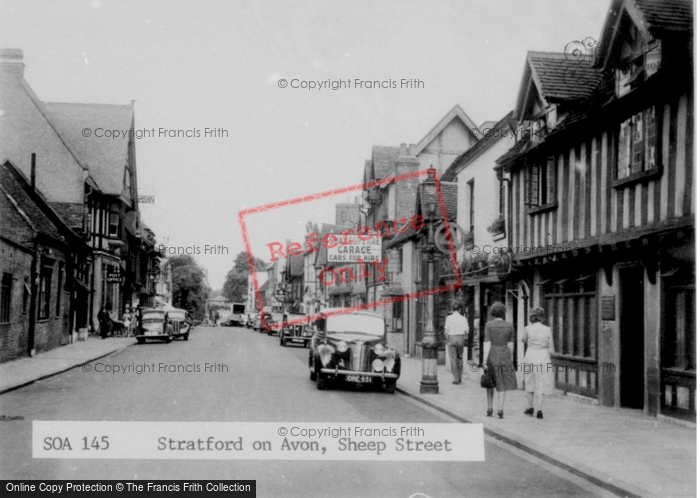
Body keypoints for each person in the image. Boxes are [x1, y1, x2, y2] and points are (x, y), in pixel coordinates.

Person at [483, 301, 518, 418]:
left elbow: (487, 343)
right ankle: (501, 409)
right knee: (502, 382)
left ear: (493, 312)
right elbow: (511, 344)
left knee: (490, 382)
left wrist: (484, 361)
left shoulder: (488, 325)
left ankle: (489, 407)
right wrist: (511, 358)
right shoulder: (509, 325)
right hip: (505, 355)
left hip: (492, 354)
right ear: (503, 312)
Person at [522, 307, 555, 419]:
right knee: (541, 382)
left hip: (531, 354)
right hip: (543, 356)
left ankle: (530, 406)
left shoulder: (527, 328)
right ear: (542, 317)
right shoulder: (547, 329)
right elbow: (551, 348)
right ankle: (539, 409)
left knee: (529, 380)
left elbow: (523, 339)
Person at [444, 303, 468, 384]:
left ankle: (456, 378)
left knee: (453, 359)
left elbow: (446, 331)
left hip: (452, 338)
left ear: (452, 309)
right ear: (460, 309)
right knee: (460, 358)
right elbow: (466, 331)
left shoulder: (449, 318)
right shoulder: (463, 318)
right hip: (460, 338)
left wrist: (448, 340)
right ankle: (460, 377)